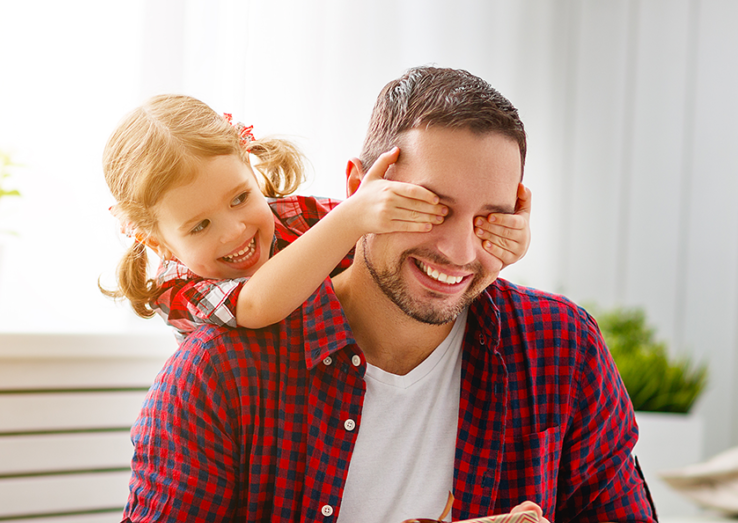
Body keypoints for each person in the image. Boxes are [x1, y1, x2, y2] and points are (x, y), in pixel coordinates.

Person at [102, 66, 661, 523]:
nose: (459, 252)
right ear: (359, 190)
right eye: (429, 208)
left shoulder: (558, 344)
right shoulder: (219, 368)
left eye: (489, 219)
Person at [101, 94, 530, 342]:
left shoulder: (295, 216)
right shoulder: (178, 289)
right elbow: (254, 304)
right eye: (199, 226)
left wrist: (493, 235)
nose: (235, 230)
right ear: (159, 243)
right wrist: (352, 217)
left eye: (239, 198)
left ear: (252, 168)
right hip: (260, 413)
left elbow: (389, 235)